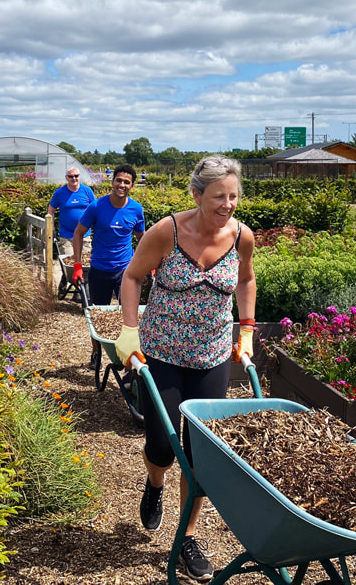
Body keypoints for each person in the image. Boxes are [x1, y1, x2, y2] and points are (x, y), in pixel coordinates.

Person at [114, 155, 256, 583]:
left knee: (200, 458)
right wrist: (129, 331)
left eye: (233, 196)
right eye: (218, 197)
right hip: (161, 353)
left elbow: (246, 280)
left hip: (211, 356)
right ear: (196, 195)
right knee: (161, 445)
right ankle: (154, 484)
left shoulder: (242, 236)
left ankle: (188, 536)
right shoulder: (167, 232)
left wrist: (245, 331)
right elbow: (133, 276)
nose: (228, 205)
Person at [72, 164, 145, 362]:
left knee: (129, 316)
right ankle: (96, 352)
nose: (122, 185)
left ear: (132, 185)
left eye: (126, 182)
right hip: (99, 270)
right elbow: (78, 233)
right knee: (97, 315)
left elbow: (143, 239)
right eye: (119, 180)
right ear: (112, 181)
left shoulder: (136, 209)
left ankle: (128, 355)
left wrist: (149, 264)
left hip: (125, 272)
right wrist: (78, 266)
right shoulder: (97, 206)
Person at [48, 167, 96, 257]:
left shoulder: (87, 191)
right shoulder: (59, 193)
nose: (74, 178)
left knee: (85, 263)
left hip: (84, 235)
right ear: (66, 178)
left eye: (76, 176)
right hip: (66, 236)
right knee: (70, 264)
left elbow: (95, 209)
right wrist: (52, 231)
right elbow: (51, 211)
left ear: (79, 176)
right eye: (71, 176)